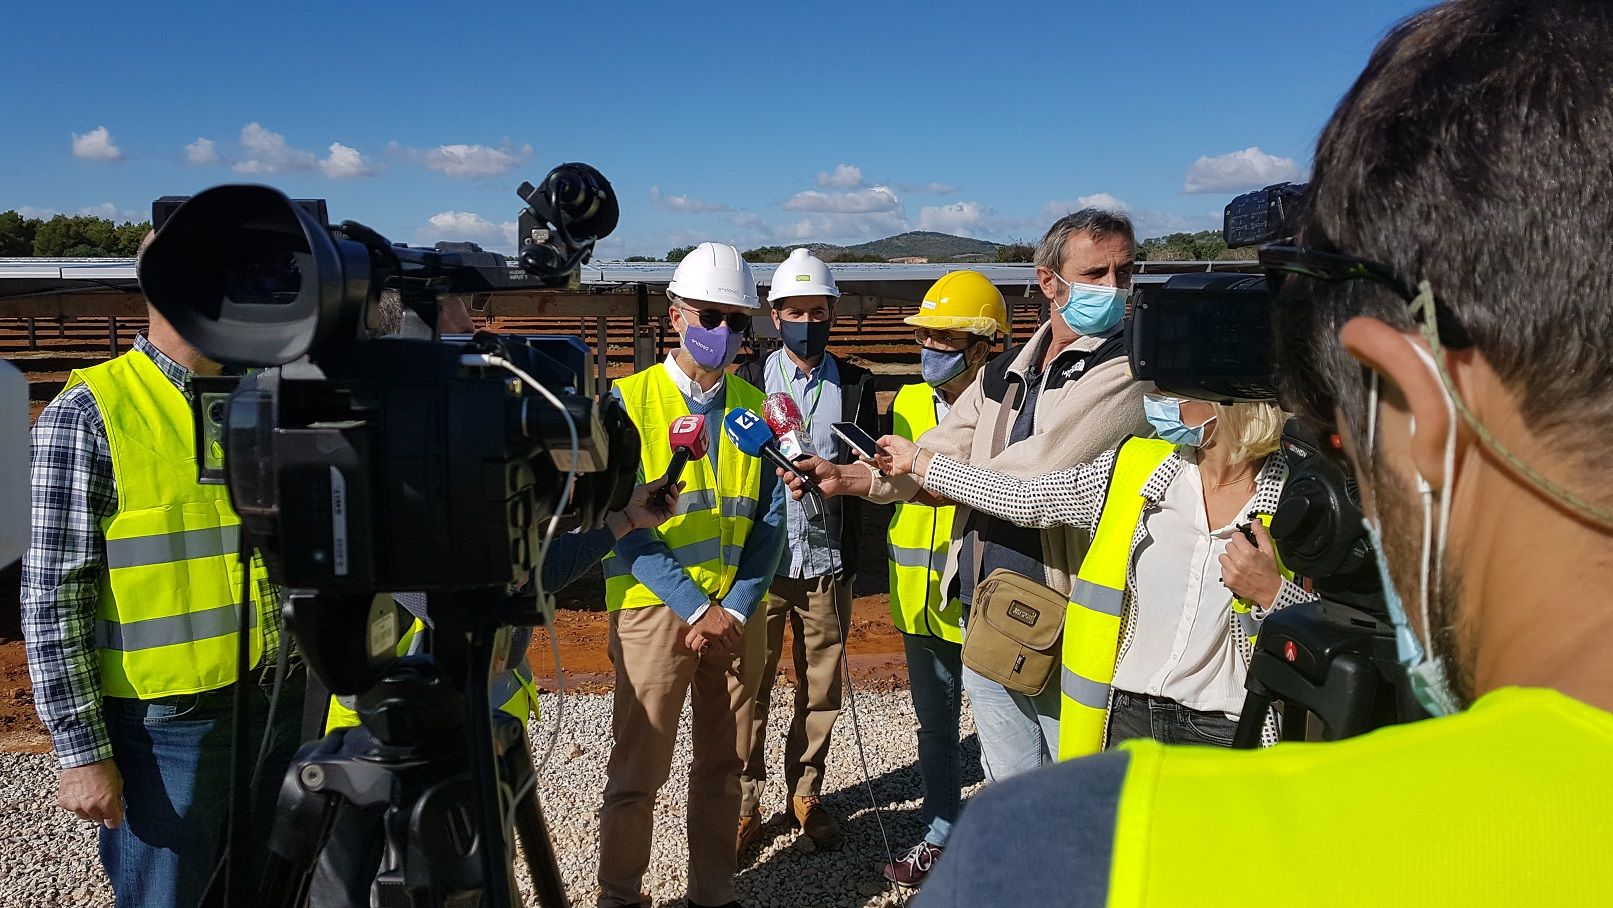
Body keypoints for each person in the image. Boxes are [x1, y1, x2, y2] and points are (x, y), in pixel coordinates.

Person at [919, 2, 1613, 904]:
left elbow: (1036, 484)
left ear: (1413, 406)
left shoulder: (1062, 856)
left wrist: (916, 471)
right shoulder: (1045, 396)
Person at [791, 230, 1152, 783]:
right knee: (1009, 781)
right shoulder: (1003, 373)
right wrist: (851, 477)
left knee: (1075, 788)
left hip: (1070, 617)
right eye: (1095, 275)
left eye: (1122, 274)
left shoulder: (1127, 370)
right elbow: (940, 454)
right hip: (988, 605)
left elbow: (1035, 483)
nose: (1114, 288)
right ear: (1048, 282)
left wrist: (923, 465)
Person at [21, 232, 302, 908]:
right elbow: (53, 598)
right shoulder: (89, 415)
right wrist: (83, 754)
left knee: (275, 892)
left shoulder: (268, 400)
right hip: (167, 734)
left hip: (281, 706)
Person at [309, 478, 688, 908]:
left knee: (482, 874)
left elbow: (531, 573)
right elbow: (453, 595)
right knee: (387, 885)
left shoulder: (470, 486)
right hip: (387, 747)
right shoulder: (399, 490)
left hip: (474, 725)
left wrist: (620, 522)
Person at [878, 394, 1314, 758]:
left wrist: (1275, 594)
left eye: (1176, 392)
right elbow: (1025, 498)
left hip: (1231, 731)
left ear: (1232, 401)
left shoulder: (1304, 497)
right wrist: (922, 462)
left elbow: (1351, 630)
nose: (1158, 401)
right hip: (1128, 719)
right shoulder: (1137, 469)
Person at [596, 241, 786, 908]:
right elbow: (617, 528)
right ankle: (619, 897)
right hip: (654, 610)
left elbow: (770, 523)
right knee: (635, 776)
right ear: (675, 316)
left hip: (735, 617)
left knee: (722, 771)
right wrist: (693, 607)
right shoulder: (623, 405)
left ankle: (713, 896)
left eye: (738, 321)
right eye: (711, 315)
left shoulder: (752, 409)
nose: (725, 333)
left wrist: (732, 609)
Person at [732, 249, 879, 856]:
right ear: (774, 314)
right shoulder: (747, 382)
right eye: (795, 311)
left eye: (818, 311)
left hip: (826, 561)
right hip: (760, 563)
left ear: (831, 313)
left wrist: (838, 472)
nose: (807, 322)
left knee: (821, 688)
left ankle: (807, 792)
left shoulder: (856, 382)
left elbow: (874, 466)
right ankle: (743, 801)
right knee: (750, 686)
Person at [879, 282, 1006, 886]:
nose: (929, 346)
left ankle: (1006, 841)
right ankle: (940, 830)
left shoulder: (1010, 406)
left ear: (983, 346)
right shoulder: (905, 399)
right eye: (925, 335)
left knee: (1005, 730)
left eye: (945, 336)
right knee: (936, 727)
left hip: (983, 599)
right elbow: (890, 483)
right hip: (917, 598)